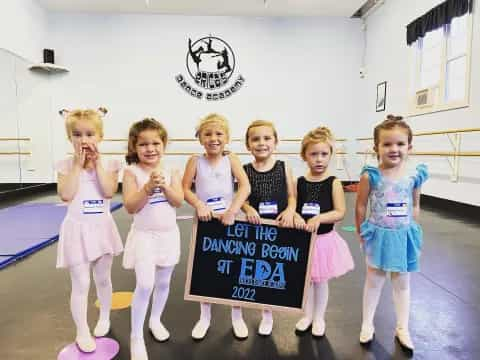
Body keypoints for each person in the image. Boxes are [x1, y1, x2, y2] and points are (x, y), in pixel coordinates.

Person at [355, 115, 428, 353]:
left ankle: (402, 327)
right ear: (376, 147)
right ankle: (367, 324)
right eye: (387, 144)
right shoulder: (371, 176)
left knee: (402, 283)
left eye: (399, 144)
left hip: (403, 236)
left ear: (409, 147)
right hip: (378, 235)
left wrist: (413, 231)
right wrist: (360, 232)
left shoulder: (413, 176)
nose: (393, 149)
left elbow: (415, 204)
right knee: (374, 281)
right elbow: (360, 206)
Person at [56, 107, 123, 352]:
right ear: (69, 138)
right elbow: (65, 194)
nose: (84, 139)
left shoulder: (111, 163)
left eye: (89, 134)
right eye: (77, 134)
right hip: (77, 230)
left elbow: (108, 191)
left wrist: (96, 165)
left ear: (100, 137)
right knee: (81, 283)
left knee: (103, 278)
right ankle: (82, 330)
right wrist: (77, 165)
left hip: (102, 228)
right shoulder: (65, 165)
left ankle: (104, 317)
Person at [182, 113, 250, 340]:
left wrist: (233, 210)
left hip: (231, 220)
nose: (213, 138)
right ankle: (204, 316)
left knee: (235, 269)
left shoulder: (232, 160)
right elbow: (185, 189)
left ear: (227, 137)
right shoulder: (195, 161)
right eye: (207, 134)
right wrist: (199, 204)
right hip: (205, 221)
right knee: (205, 270)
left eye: (219, 133)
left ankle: (237, 316)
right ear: (200, 138)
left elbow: (245, 187)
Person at [122, 118, 184, 360]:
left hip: (168, 236)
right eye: (143, 144)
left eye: (156, 143)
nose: (150, 149)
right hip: (145, 236)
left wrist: (165, 187)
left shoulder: (172, 171)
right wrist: (148, 187)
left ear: (164, 144)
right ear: (134, 148)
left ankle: (155, 320)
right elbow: (130, 207)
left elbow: (178, 201)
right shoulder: (131, 172)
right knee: (146, 284)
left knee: (163, 283)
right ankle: (136, 335)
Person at [294, 126, 354, 337]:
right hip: (303, 240)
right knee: (306, 281)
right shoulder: (299, 182)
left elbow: (340, 211)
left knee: (321, 281)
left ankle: (319, 317)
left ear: (330, 155)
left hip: (324, 241)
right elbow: (293, 207)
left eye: (324, 154)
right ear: (304, 156)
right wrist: (297, 217)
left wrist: (319, 218)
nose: (319, 159)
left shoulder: (333, 182)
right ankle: (307, 315)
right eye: (313, 154)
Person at [242, 120, 296, 336]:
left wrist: (291, 210)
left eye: (267, 138)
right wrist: (246, 208)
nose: (261, 143)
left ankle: (268, 313)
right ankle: (261, 311)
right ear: (248, 145)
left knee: (274, 272)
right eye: (255, 139)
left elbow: (292, 195)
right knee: (257, 271)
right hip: (255, 228)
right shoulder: (245, 170)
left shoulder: (284, 167)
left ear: (276, 142)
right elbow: (241, 198)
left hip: (279, 226)